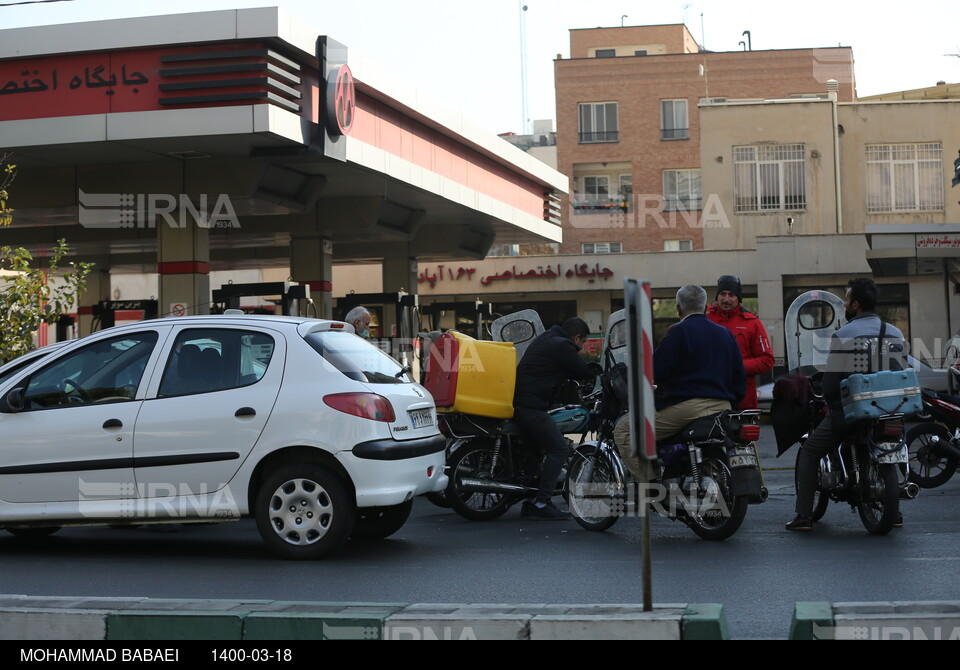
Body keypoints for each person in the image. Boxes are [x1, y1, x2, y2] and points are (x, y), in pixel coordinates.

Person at [786, 277, 905, 532]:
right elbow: (899, 373)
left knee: (809, 452)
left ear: (856, 305)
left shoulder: (845, 334)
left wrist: (830, 402)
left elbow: (830, 386)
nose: (846, 304)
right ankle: (894, 512)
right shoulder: (895, 333)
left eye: (848, 299)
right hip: (889, 411)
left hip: (856, 412)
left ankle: (803, 516)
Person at [613, 285, 746, 479]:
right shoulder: (725, 334)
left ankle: (650, 484)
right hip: (723, 407)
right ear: (706, 306)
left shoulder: (679, 332)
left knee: (624, 429)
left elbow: (656, 371)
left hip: (688, 408)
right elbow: (739, 377)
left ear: (678, 308)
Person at [513, 317, 596, 520]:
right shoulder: (562, 345)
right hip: (530, 406)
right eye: (583, 342)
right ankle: (542, 502)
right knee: (558, 448)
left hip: (522, 401)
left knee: (537, 449)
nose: (583, 347)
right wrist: (598, 372)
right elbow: (582, 370)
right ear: (576, 337)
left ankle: (530, 500)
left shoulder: (548, 338)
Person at [706, 275, 774, 410]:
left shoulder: (752, 323)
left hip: (743, 400)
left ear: (739, 298)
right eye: (722, 294)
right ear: (717, 296)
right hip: (709, 396)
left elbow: (767, 360)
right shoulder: (705, 318)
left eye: (731, 295)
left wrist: (735, 366)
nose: (726, 299)